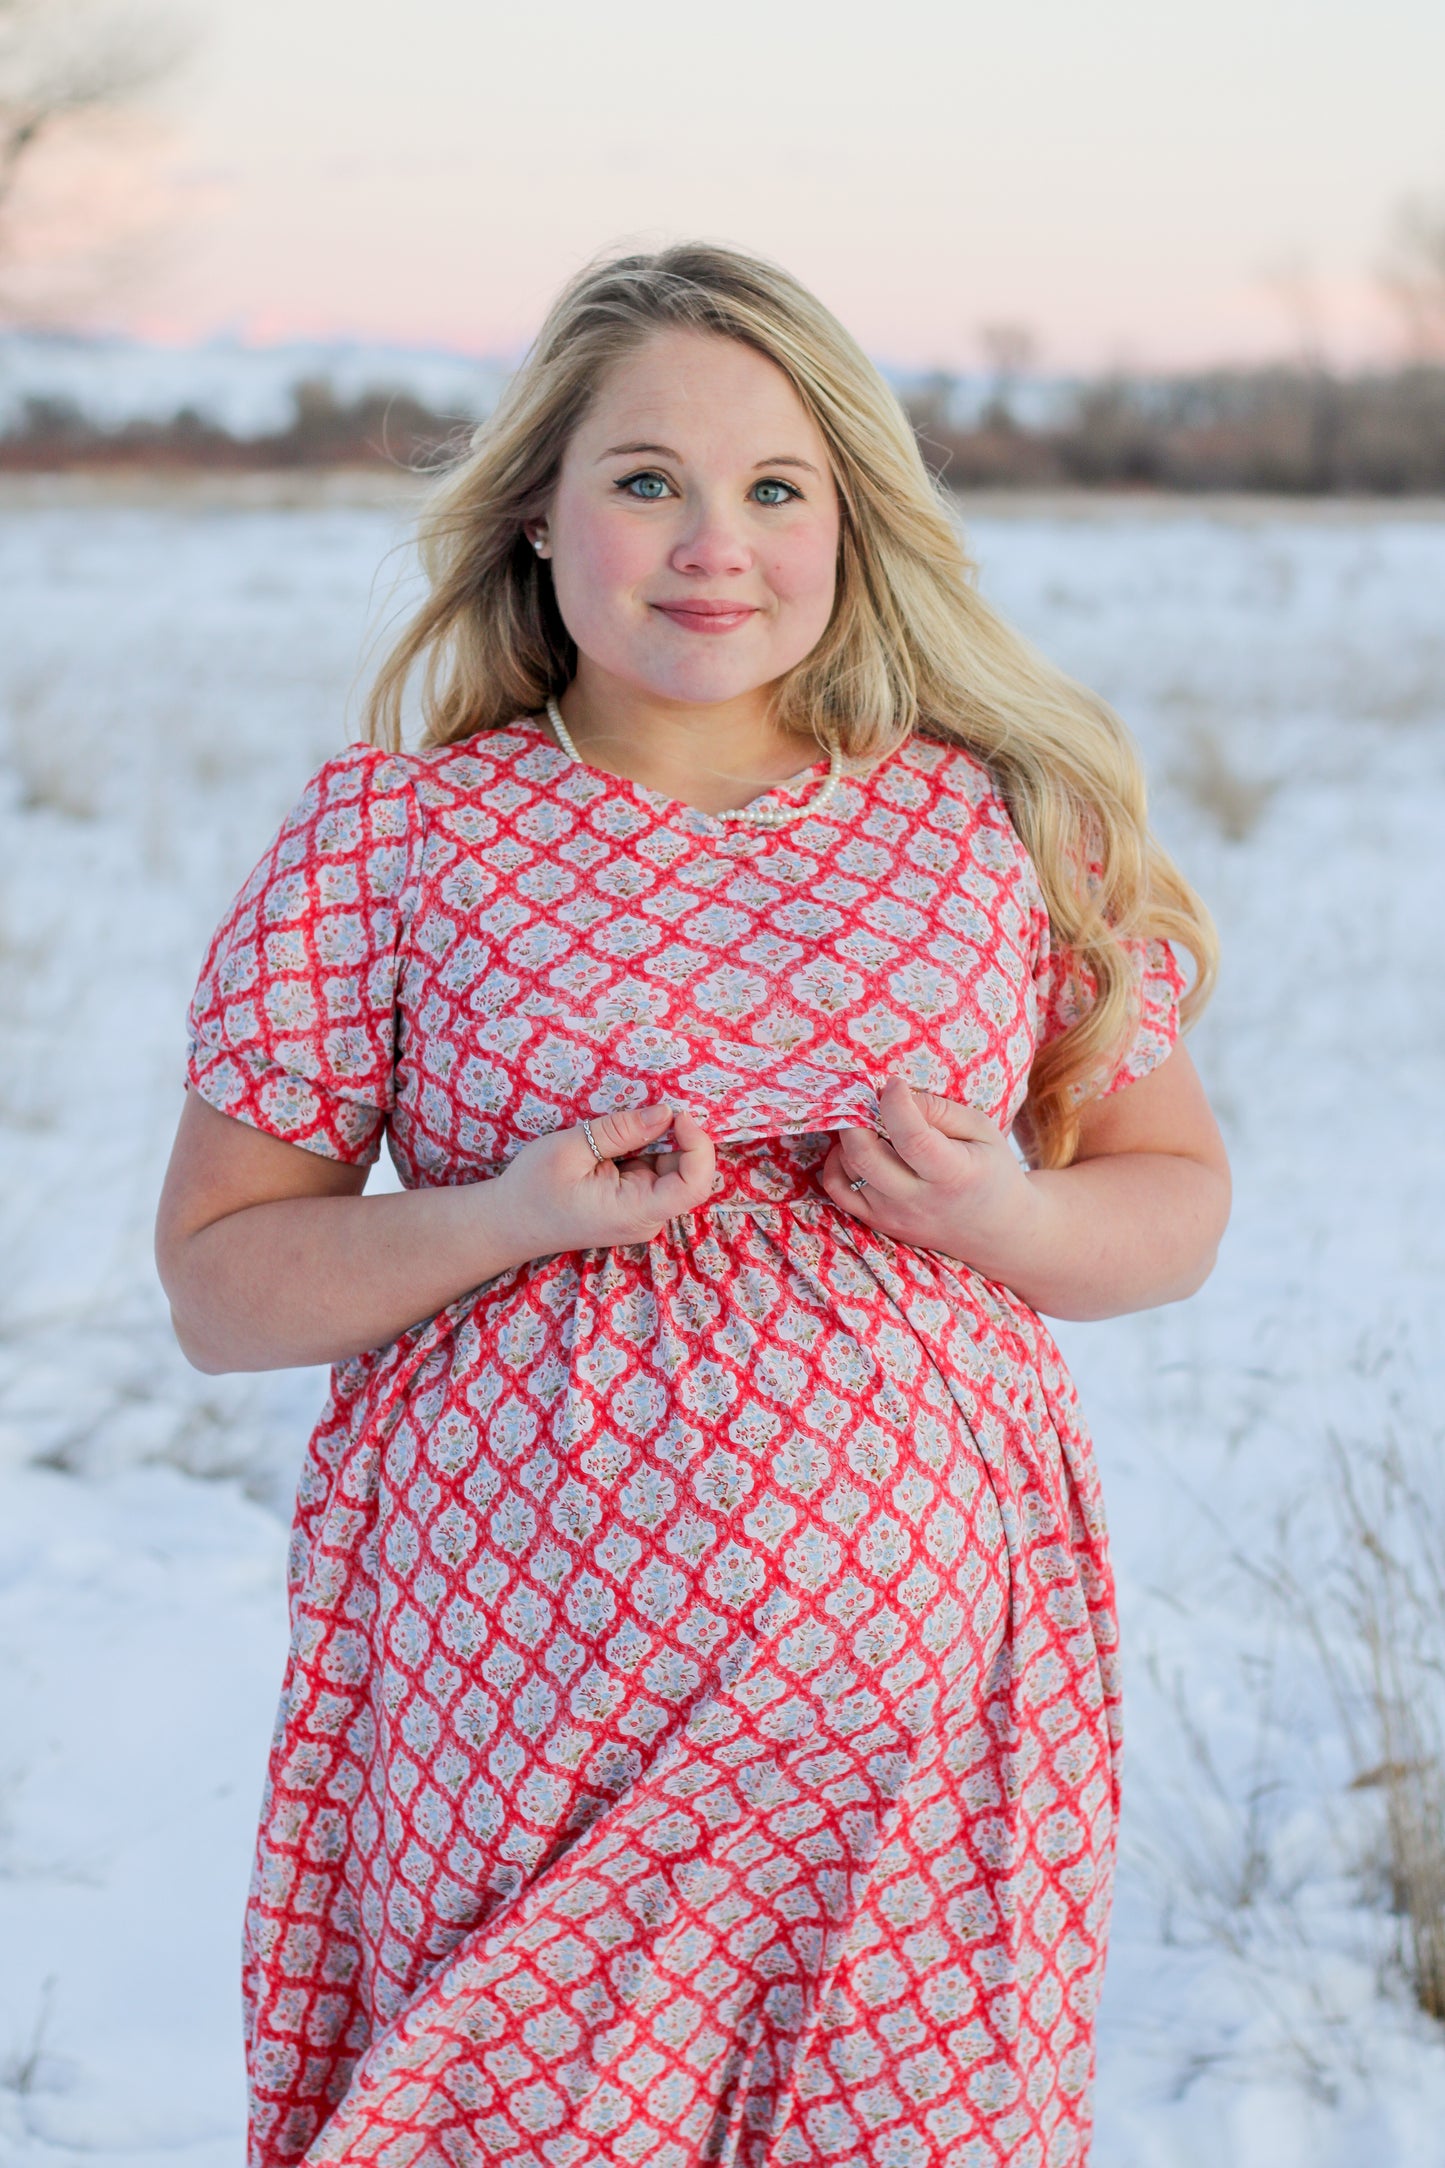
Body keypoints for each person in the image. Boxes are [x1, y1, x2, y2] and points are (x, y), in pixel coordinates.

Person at [155, 242, 1230, 2168]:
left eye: (774, 488)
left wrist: (1002, 1215)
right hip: (524, 1716)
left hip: (904, 1716)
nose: (709, 542)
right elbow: (223, 1287)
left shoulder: (996, 820)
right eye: (644, 478)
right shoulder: (396, 839)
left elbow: (1171, 1205)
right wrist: (501, 1217)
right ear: (540, 522)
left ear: (852, 520)